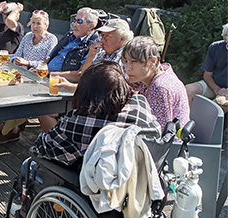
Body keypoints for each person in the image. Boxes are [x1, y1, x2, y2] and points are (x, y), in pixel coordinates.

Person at [32, 60, 161, 168]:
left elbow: (45, 147)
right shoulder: (140, 104)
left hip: (98, 184)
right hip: (139, 178)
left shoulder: (83, 120)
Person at [0, 10, 58, 144]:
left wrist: (28, 62)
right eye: (33, 23)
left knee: (15, 95)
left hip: (37, 77)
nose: (35, 26)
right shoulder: (28, 36)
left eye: (38, 23)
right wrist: (11, 59)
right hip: (20, 74)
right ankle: (7, 128)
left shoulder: (51, 39)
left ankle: (3, 129)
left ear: (46, 25)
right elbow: (17, 54)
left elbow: (48, 61)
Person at [122, 36, 190, 130]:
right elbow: (122, 83)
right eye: (125, 61)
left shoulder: (160, 88)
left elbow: (158, 133)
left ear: (153, 61)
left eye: (134, 61)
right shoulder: (150, 75)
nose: (128, 68)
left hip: (170, 143)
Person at [53, 18, 134, 88]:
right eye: (102, 36)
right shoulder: (102, 54)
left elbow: (110, 87)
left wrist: (72, 87)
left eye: (107, 36)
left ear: (122, 39)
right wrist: (90, 56)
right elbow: (85, 76)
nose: (102, 40)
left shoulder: (126, 58)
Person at [185, 23, 228, 113]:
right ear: (225, 38)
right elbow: (207, 75)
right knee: (188, 90)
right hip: (214, 86)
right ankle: (186, 122)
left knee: (220, 102)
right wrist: (217, 89)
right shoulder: (215, 48)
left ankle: (202, 123)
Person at [45, 7, 100, 73]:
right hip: (46, 75)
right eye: (74, 20)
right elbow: (50, 56)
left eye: (79, 21)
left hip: (61, 81)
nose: (75, 24)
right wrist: (40, 67)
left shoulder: (93, 45)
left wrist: (54, 75)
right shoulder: (69, 36)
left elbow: (81, 73)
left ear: (91, 26)